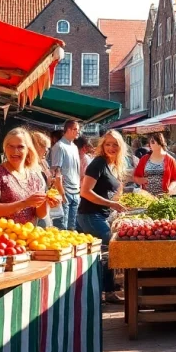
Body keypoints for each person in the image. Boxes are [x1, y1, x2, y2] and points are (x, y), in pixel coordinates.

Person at [77, 130, 127, 304]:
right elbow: (85, 192)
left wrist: (117, 199)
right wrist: (111, 203)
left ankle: (106, 291)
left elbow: (110, 190)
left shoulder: (111, 164)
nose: (111, 147)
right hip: (90, 215)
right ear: (102, 146)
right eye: (108, 144)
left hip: (100, 215)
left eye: (115, 144)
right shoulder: (98, 163)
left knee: (106, 252)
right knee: (109, 250)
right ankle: (104, 292)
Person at [0, 128, 58, 227]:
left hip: (26, 234)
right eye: (10, 146)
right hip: (0, 235)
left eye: (20, 147)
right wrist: (24, 203)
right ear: (5, 148)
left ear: (28, 149)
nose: (15, 151)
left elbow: (40, 214)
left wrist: (48, 201)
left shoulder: (35, 175)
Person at [49, 120, 82, 230]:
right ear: (68, 130)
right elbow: (56, 171)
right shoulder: (59, 146)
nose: (78, 132)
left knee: (72, 228)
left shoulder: (74, 147)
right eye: (75, 129)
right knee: (62, 228)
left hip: (76, 190)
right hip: (65, 191)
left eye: (78, 129)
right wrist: (61, 193)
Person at [30, 130, 64, 228]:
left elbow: (47, 186)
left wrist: (55, 183)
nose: (47, 150)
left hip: (45, 208)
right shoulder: (28, 166)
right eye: (43, 146)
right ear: (34, 146)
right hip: (33, 210)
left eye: (48, 147)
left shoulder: (43, 162)